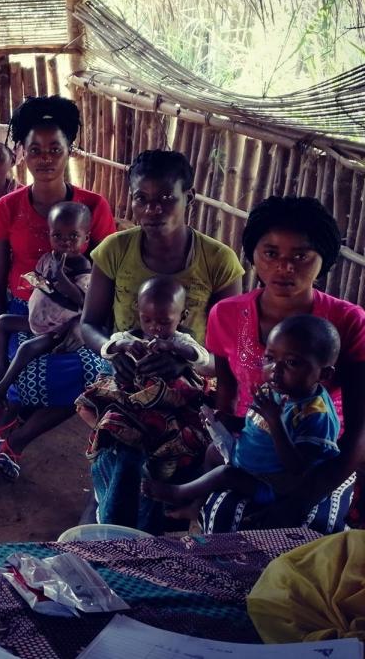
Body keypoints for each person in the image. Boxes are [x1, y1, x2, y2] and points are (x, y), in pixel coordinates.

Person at [78, 149, 242, 528]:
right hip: (125, 377)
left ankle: (142, 534)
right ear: (132, 199)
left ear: (190, 198)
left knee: (171, 459)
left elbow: (232, 354)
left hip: (191, 384)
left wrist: (186, 361)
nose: (154, 209)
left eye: (167, 198)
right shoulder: (114, 251)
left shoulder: (218, 261)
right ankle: (113, 529)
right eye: (142, 198)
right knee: (123, 452)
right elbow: (87, 325)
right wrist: (113, 351)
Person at [202, 196, 365, 533]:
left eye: (301, 256)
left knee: (302, 537)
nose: (285, 267)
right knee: (223, 518)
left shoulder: (348, 321)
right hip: (253, 445)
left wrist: (300, 501)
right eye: (271, 253)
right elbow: (226, 390)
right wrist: (227, 438)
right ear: (254, 254)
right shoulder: (227, 314)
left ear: (324, 259)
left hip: (321, 458)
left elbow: (359, 430)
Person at [0, 95, 115, 480]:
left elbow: (106, 278)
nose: (45, 158)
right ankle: (10, 422)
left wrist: (91, 323)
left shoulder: (94, 206)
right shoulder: (7, 208)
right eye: (35, 149)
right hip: (25, 313)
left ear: (69, 151)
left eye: (55, 149)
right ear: (21, 153)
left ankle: (15, 441)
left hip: (80, 317)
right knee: (19, 379)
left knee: (97, 381)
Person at [146, 315, 341, 513]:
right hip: (248, 461)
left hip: (273, 483)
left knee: (225, 474)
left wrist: (275, 422)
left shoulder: (315, 414)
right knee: (213, 451)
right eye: (270, 358)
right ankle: (198, 505)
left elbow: (297, 467)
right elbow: (255, 424)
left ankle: (179, 493)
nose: (275, 370)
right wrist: (229, 422)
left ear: (324, 374)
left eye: (291, 363)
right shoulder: (274, 389)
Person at [76, 276, 210, 492]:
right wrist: (123, 345)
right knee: (91, 405)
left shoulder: (180, 339)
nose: (155, 327)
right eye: (147, 320)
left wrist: (175, 349)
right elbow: (106, 348)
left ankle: (161, 454)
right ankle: (115, 435)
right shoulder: (128, 336)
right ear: (138, 310)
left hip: (167, 401)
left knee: (187, 425)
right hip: (132, 399)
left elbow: (202, 357)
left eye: (164, 322)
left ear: (182, 317)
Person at [0, 201, 92, 409]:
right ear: (49, 234)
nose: (65, 241)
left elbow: (81, 300)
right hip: (37, 318)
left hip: (59, 328)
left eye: (73, 236)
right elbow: (43, 282)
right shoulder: (49, 258)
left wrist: (61, 278)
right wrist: (38, 280)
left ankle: (1, 388)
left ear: (86, 237)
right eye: (57, 235)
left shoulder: (83, 265)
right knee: (2, 322)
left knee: (26, 348)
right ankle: (1, 364)